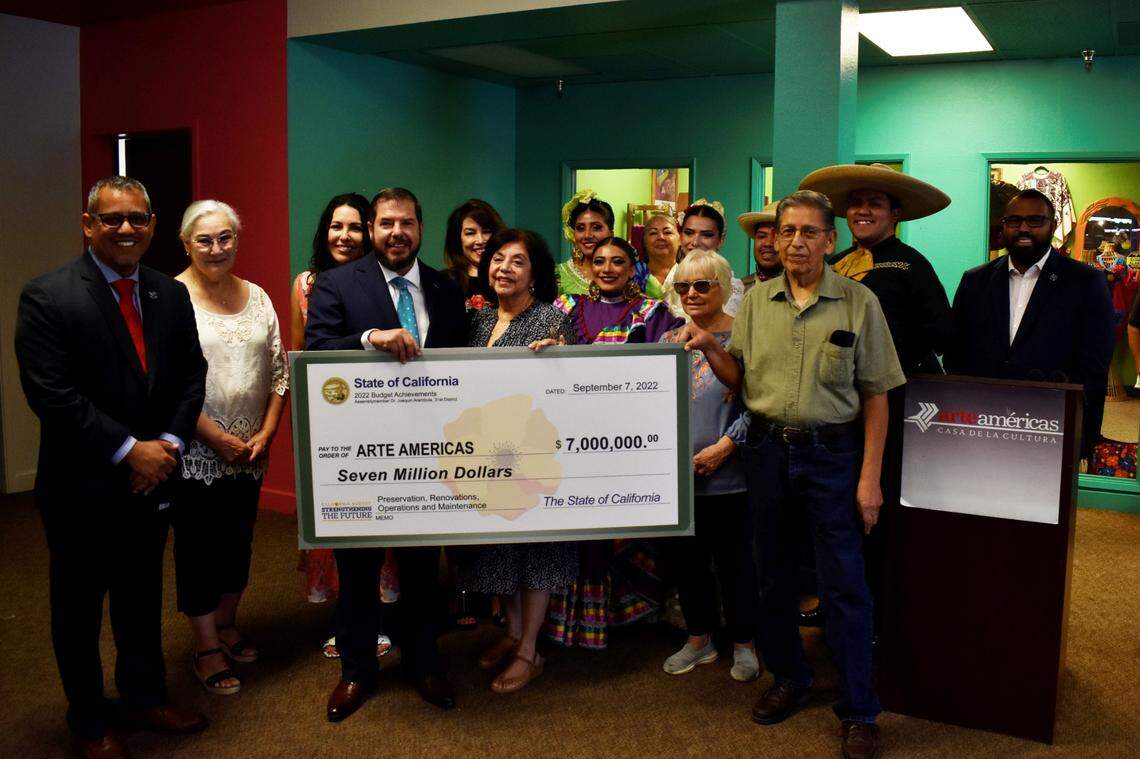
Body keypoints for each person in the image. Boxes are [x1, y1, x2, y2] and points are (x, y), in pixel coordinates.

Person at [680, 190, 905, 759]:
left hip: (834, 456)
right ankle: (791, 677)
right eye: (788, 232)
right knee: (772, 577)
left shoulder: (859, 303)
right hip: (767, 452)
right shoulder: (755, 302)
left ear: (830, 241)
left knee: (844, 584)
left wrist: (869, 478)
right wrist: (710, 345)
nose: (798, 242)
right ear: (775, 240)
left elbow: (877, 396)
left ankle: (859, 709)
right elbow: (741, 379)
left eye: (810, 232)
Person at [15, 176, 209, 758]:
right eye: (112, 219)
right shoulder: (48, 296)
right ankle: (90, 723)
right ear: (88, 224)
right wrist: (131, 450)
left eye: (138, 218)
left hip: (152, 480)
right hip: (83, 485)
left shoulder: (168, 293)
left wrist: (168, 445)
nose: (126, 229)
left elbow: (190, 376)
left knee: (140, 597)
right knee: (78, 611)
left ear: (152, 224)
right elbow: (52, 394)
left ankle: (145, 698)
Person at [305, 187, 467, 721]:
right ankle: (356, 671)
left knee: (423, 568)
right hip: (362, 456)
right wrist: (371, 336)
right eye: (386, 223)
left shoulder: (447, 288)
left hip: (431, 454)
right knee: (359, 570)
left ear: (421, 228)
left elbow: (468, 362)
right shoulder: (335, 284)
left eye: (407, 223)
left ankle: (425, 663)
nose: (397, 232)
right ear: (372, 229)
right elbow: (317, 347)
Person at [171, 200, 288, 696]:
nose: (217, 249)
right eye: (205, 240)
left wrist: (266, 434)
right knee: (199, 547)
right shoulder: (171, 298)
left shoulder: (258, 296)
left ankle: (227, 622)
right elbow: (166, 384)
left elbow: (280, 372)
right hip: (197, 448)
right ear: (186, 243)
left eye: (226, 238)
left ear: (237, 240)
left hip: (250, 451)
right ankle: (205, 645)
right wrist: (213, 436)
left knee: (239, 541)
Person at [548, 236, 683, 649]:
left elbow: (672, 367)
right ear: (587, 267)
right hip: (566, 442)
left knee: (616, 531)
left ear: (632, 268)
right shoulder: (563, 309)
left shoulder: (652, 312)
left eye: (618, 262)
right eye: (599, 261)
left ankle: (622, 616)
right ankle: (567, 623)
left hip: (625, 445)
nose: (607, 268)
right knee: (572, 531)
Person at [462, 229, 578, 693]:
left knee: (536, 554)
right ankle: (511, 635)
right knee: (500, 551)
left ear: (535, 275)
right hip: (489, 462)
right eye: (498, 259)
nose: (504, 268)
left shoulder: (550, 320)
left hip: (534, 465)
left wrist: (563, 361)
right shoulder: (478, 321)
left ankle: (530, 652)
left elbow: (572, 389)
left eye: (518, 262)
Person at [291, 193, 395, 660]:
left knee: (383, 518)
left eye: (355, 228)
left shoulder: (384, 281)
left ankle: (383, 617)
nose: (345, 236)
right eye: (337, 227)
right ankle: (347, 619)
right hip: (332, 417)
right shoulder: (307, 284)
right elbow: (302, 356)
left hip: (381, 415)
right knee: (339, 520)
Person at [947, 188, 1115, 459]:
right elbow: (956, 353)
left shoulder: (1085, 282)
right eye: (1014, 221)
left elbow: (1095, 361)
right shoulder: (975, 280)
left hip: (1050, 423)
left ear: (1052, 226)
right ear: (1004, 226)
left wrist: (1067, 415)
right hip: (983, 421)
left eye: (1035, 221)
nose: (1023, 228)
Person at [659, 250, 759, 683]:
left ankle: (744, 643)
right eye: (683, 286)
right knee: (688, 563)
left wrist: (725, 446)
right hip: (680, 482)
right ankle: (699, 639)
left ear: (724, 286)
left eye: (702, 285)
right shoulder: (667, 341)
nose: (692, 293)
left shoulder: (746, 336)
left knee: (736, 565)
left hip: (732, 476)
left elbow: (761, 402)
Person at [800, 163, 953, 374]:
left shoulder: (912, 264)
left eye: (875, 204)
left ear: (895, 214)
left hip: (899, 387)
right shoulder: (833, 264)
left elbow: (941, 332)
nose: (863, 210)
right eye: (856, 203)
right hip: (837, 386)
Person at [662, 200, 746, 316]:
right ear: (680, 237)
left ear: (720, 241)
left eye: (707, 235)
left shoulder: (730, 288)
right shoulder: (668, 282)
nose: (695, 242)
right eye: (689, 233)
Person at [442, 198, 507, 306]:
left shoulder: (508, 278)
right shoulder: (444, 282)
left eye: (487, 232)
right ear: (458, 239)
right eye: (470, 233)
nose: (480, 240)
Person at [556, 189, 615, 296]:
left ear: (611, 233)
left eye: (596, 227)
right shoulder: (559, 275)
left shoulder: (631, 274)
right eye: (580, 228)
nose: (587, 235)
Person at [738, 201, 782, 290]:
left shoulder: (800, 291)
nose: (768, 243)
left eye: (776, 237)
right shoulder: (738, 290)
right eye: (761, 236)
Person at [643, 211, 682, 295]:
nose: (660, 237)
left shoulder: (690, 276)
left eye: (667, 232)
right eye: (653, 233)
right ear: (644, 241)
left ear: (680, 240)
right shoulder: (634, 277)